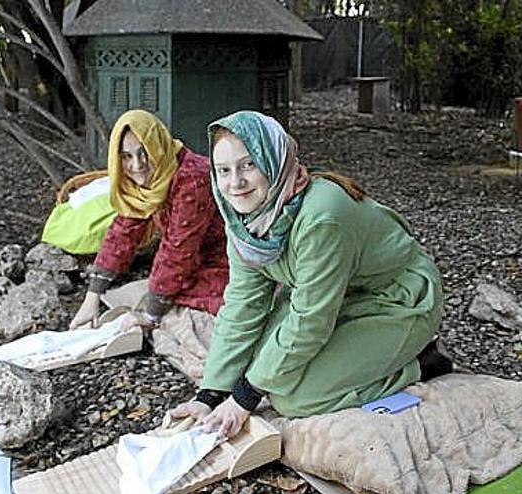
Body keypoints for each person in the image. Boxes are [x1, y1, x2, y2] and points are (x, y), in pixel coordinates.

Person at [165, 110, 450, 438]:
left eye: (249, 165)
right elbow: (244, 304)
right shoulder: (244, 220)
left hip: (397, 299)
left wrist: (243, 398)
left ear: (273, 159)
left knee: (295, 397)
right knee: (260, 365)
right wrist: (210, 395)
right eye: (224, 170)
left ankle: (422, 361)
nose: (235, 182)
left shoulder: (321, 216)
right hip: (337, 295)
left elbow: (311, 320)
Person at [69, 110, 229, 369]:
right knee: (161, 295)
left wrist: (151, 314)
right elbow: (124, 229)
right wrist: (92, 298)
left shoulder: (192, 179)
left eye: (144, 153)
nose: (137, 165)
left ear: (157, 145)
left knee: (175, 309)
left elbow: (178, 250)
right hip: (194, 259)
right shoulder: (150, 179)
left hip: (223, 260)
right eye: (126, 156)